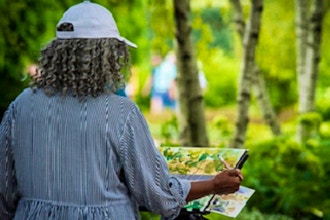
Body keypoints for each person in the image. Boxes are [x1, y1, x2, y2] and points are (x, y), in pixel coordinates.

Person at [0, 1, 243, 220]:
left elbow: (5, 193)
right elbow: (158, 196)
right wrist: (214, 184)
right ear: (107, 55)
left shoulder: (21, 106)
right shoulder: (120, 113)